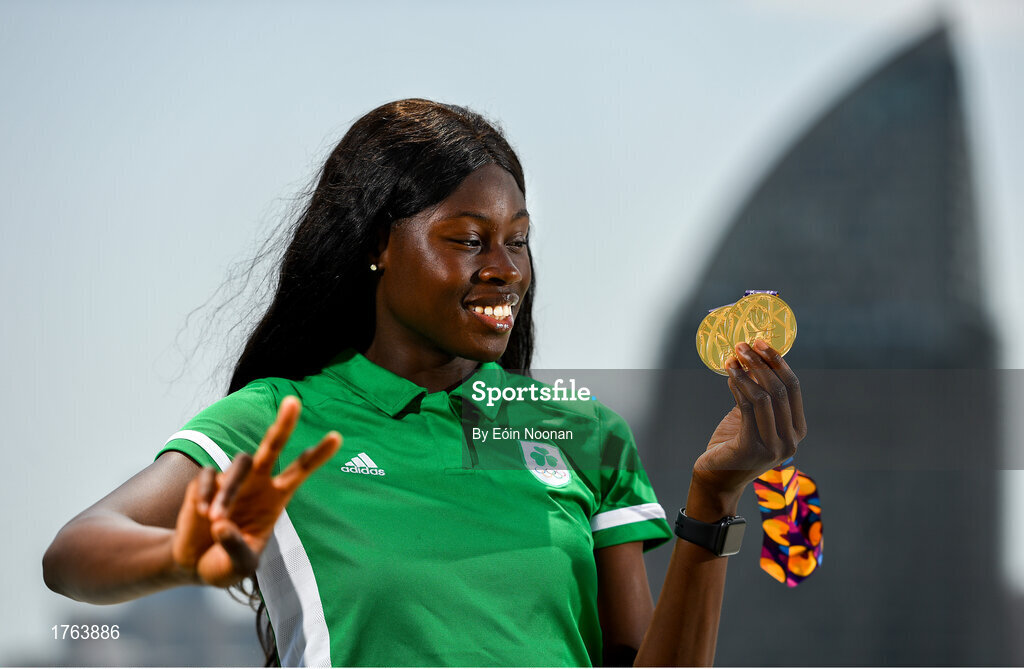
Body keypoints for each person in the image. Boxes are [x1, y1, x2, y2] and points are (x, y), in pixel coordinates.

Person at [42, 99, 806, 667]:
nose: (504, 267)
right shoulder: (278, 421)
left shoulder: (583, 433)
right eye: (468, 239)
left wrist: (712, 498)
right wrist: (180, 555)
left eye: (518, 241)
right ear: (379, 243)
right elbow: (76, 551)